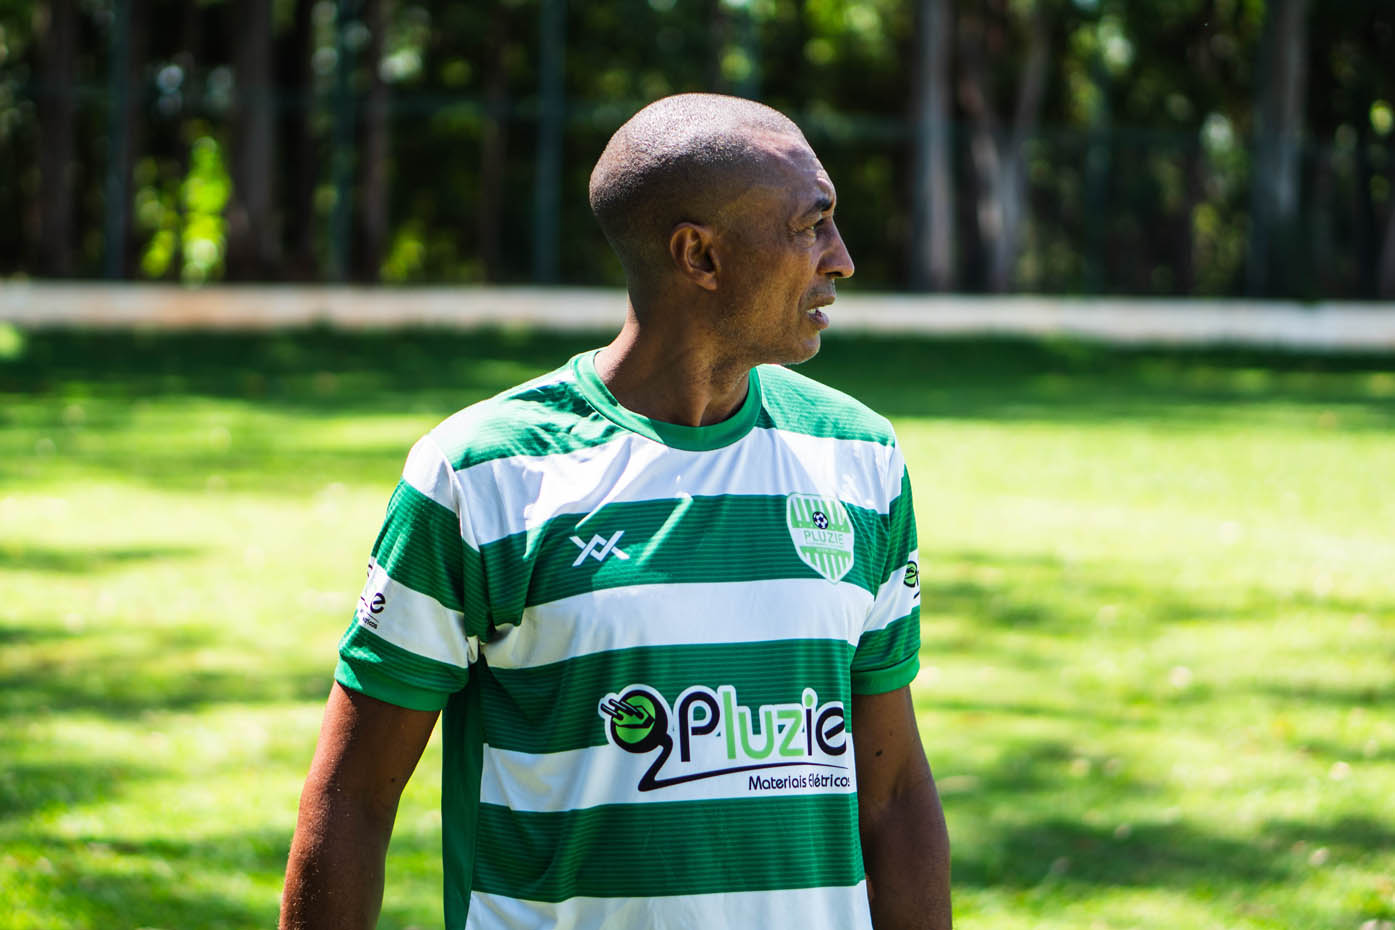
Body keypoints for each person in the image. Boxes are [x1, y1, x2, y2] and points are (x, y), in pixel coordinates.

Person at [280, 93, 951, 930]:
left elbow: (892, 792)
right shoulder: (484, 474)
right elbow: (353, 797)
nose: (840, 260)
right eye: (810, 226)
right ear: (699, 255)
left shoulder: (858, 456)